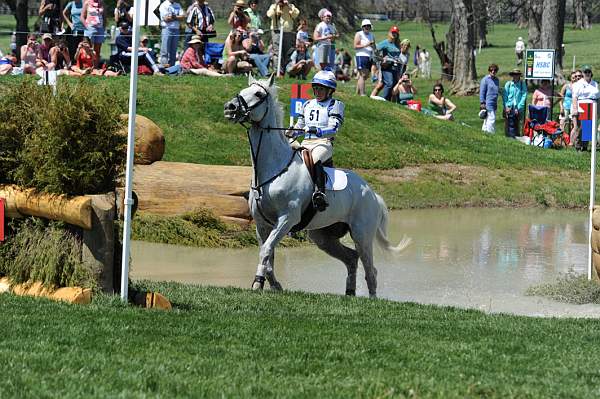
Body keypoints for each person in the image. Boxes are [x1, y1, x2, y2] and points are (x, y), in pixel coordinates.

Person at [287, 70, 344, 212]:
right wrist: (291, 131)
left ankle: (320, 193)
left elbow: (334, 127)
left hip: (323, 143)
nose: (317, 92)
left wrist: (319, 131)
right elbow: (300, 125)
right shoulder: (307, 104)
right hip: (306, 142)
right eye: (316, 89)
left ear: (330, 91)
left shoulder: (335, 104)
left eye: (321, 89)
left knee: (314, 158)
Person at [266, 0, 299, 75]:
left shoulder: (290, 6)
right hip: (276, 31)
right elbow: (270, 15)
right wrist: (276, 5)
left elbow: (295, 15)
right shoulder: (273, 6)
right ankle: (278, 71)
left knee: (287, 52)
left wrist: (289, 6)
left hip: (287, 31)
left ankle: (288, 70)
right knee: (277, 51)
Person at [571, 65, 599, 150]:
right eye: (585, 72)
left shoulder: (595, 84)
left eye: (588, 72)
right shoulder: (578, 84)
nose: (587, 73)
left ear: (591, 73)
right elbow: (575, 97)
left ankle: (585, 146)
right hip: (582, 105)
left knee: (588, 127)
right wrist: (575, 109)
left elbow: (598, 97)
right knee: (580, 127)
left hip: (593, 105)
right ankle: (578, 145)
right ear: (583, 73)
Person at [371, 26, 401, 101]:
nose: (394, 34)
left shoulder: (398, 44)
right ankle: (384, 99)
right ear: (389, 33)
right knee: (389, 83)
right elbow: (375, 52)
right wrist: (381, 58)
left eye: (396, 33)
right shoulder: (385, 43)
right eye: (392, 32)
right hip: (386, 66)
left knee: (394, 84)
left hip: (395, 67)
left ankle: (389, 101)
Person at [502, 68, 527, 138]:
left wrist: (519, 108)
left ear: (519, 75)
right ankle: (509, 136)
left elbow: (524, 96)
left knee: (518, 122)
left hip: (519, 107)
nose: (515, 76)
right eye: (514, 74)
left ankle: (517, 136)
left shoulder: (522, 84)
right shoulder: (508, 84)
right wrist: (506, 106)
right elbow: (505, 96)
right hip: (509, 106)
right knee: (509, 123)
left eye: (517, 74)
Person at [159, 0, 185, 66]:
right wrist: (177, 17)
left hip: (176, 29)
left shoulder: (178, 5)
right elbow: (166, 19)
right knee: (165, 50)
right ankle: (164, 67)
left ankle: (172, 68)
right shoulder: (164, 5)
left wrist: (173, 17)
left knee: (173, 50)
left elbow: (183, 17)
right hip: (167, 29)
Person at [81, 0, 106, 67]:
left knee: (97, 50)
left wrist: (103, 27)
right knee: (89, 49)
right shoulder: (87, 2)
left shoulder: (102, 2)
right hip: (90, 28)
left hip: (100, 28)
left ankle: (96, 67)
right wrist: (87, 26)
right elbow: (82, 17)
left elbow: (104, 16)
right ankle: (88, 66)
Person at [353, 19, 374, 96]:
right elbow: (355, 46)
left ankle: (357, 93)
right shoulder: (359, 34)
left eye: (368, 26)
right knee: (363, 75)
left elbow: (373, 45)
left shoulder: (371, 35)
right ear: (362, 27)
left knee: (366, 75)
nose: (367, 27)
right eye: (365, 26)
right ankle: (362, 93)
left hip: (369, 56)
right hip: (361, 55)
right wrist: (366, 45)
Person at [560, 71, 581, 146]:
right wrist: (561, 107)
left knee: (573, 125)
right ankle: (561, 141)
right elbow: (560, 97)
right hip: (566, 107)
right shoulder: (566, 86)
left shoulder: (578, 86)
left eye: (576, 77)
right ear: (570, 78)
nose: (575, 78)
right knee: (563, 124)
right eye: (573, 77)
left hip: (574, 107)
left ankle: (571, 141)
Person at [479, 63, 500, 133]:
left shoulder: (497, 80)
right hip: (487, 103)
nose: (493, 71)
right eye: (491, 70)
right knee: (492, 118)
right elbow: (482, 92)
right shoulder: (485, 80)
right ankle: (491, 134)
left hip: (494, 103)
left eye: (495, 70)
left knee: (487, 119)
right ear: (489, 71)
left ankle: (484, 132)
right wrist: (482, 102)